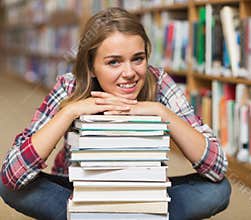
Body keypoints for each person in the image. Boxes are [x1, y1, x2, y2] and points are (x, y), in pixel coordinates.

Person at [0, 7, 230, 220]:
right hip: (81, 190)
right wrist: (69, 112)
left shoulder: (158, 81)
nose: (129, 73)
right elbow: (12, 174)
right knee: (9, 188)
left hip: (145, 193)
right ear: (91, 67)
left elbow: (217, 167)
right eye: (113, 62)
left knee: (218, 190)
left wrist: (162, 112)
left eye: (138, 58)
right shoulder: (70, 86)